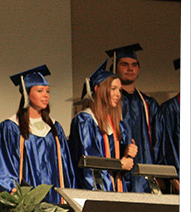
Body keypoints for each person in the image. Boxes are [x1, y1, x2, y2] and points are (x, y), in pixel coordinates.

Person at [0, 65, 75, 204]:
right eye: (40, 91)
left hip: (55, 198)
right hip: (26, 201)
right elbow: (4, 164)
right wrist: (12, 190)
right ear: (26, 94)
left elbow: (66, 167)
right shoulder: (11, 127)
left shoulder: (55, 128)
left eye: (47, 91)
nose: (46, 95)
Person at [68, 61, 137, 191]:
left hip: (117, 191)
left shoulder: (118, 125)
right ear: (97, 89)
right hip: (96, 192)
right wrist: (120, 164)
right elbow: (89, 163)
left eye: (120, 90)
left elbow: (122, 164)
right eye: (113, 89)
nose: (118, 94)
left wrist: (127, 152)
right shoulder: (85, 120)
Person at [106, 43, 159, 192]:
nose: (130, 68)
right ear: (115, 68)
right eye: (124, 64)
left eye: (134, 65)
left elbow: (158, 141)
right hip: (120, 170)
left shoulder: (149, 104)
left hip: (147, 170)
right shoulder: (110, 103)